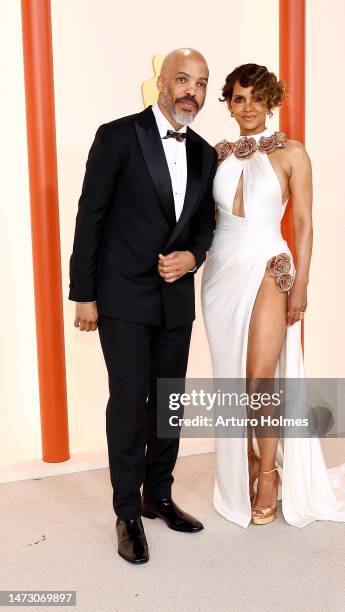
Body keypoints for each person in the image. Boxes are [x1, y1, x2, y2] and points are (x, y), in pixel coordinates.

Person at [201, 63, 345, 528]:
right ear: (229, 104)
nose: (248, 106)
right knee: (232, 379)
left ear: (270, 101)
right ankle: (248, 462)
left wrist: (303, 285)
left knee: (260, 378)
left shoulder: (292, 153)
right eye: (238, 98)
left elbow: (304, 223)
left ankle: (270, 473)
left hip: (270, 267)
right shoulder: (215, 155)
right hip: (221, 275)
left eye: (257, 98)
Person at [69, 48, 218, 563]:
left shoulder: (204, 151)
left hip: (175, 298)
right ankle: (127, 512)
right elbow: (91, 217)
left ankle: (158, 496)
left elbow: (205, 224)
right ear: (160, 81)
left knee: (168, 402)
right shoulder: (117, 136)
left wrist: (193, 257)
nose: (190, 92)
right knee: (131, 405)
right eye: (182, 79)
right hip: (121, 295)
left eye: (200, 84)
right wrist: (84, 294)